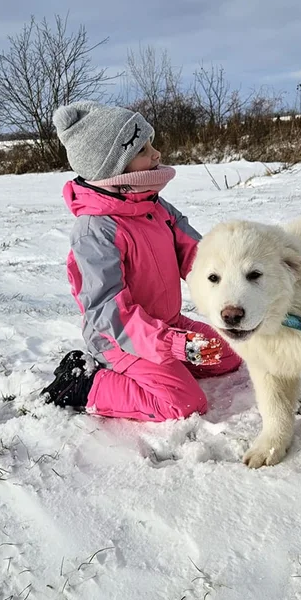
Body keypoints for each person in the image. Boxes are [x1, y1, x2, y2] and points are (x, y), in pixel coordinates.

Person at [41, 101, 241, 421]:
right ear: (114, 168)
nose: (157, 153)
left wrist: (235, 285)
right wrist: (170, 345)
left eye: (152, 143)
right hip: (121, 341)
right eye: (144, 149)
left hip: (168, 324)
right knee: (182, 404)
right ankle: (86, 383)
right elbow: (109, 311)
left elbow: (197, 256)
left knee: (229, 353)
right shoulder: (95, 231)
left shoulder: (153, 204)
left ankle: (167, 365)